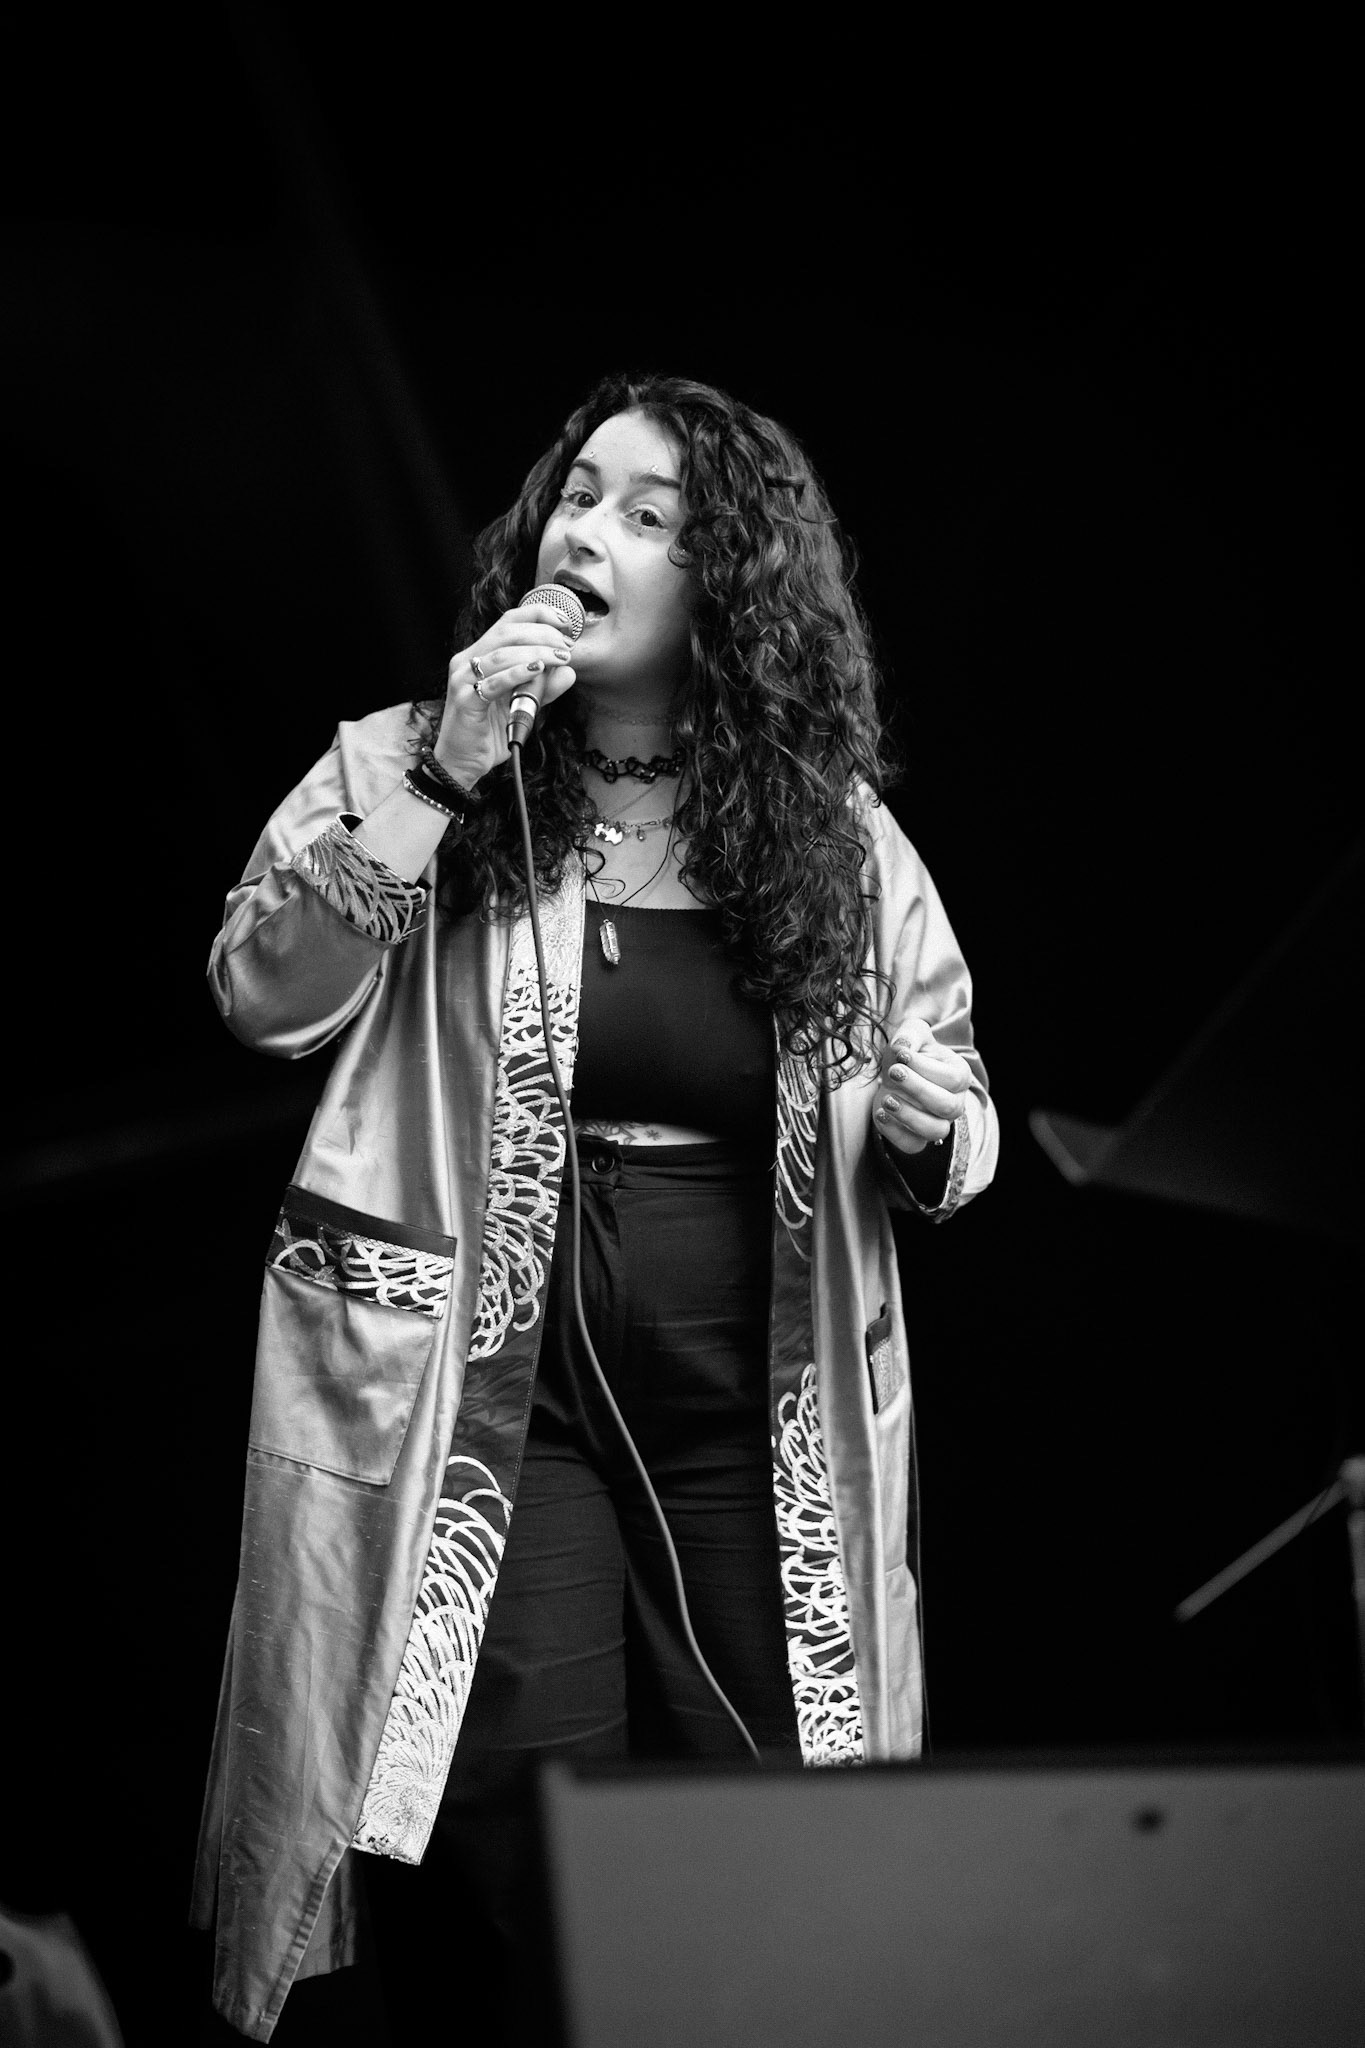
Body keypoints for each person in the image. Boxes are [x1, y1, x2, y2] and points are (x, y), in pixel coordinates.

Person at [191, 373, 999, 2043]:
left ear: (729, 588)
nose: (589, 533)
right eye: (578, 495)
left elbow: (955, 1085)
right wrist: (444, 773)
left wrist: (936, 1132)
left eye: (649, 517)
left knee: (772, 1822)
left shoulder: (831, 834)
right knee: (515, 1828)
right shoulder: (403, 761)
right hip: (502, 1403)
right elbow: (264, 996)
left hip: (750, 1407)